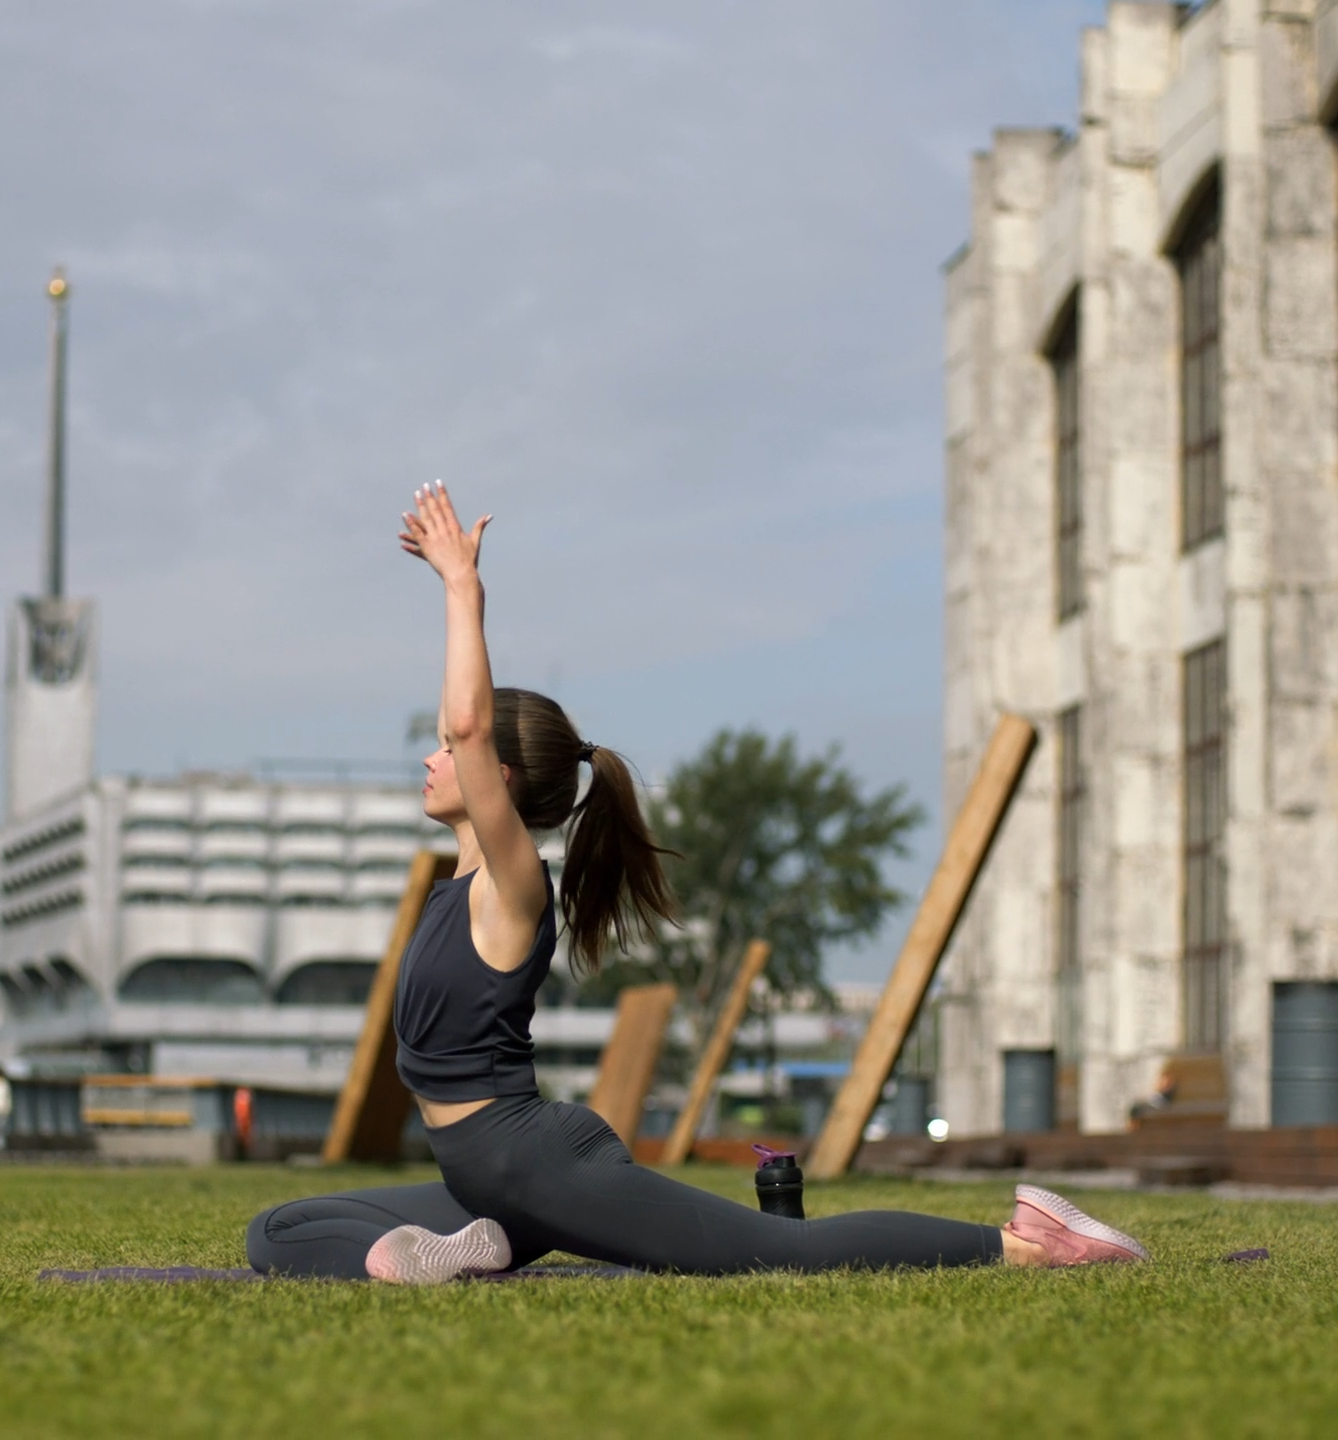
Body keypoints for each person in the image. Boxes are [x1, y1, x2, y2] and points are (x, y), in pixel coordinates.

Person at [245, 481, 1150, 1284]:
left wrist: (460, 588)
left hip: (531, 1164)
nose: (434, 755)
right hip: (480, 1183)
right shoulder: (462, 875)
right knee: (279, 1229)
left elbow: (475, 726)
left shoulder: (512, 883)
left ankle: (1028, 1243)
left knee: (784, 1256)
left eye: (449, 749)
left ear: (501, 787)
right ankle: (427, 1256)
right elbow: (475, 730)